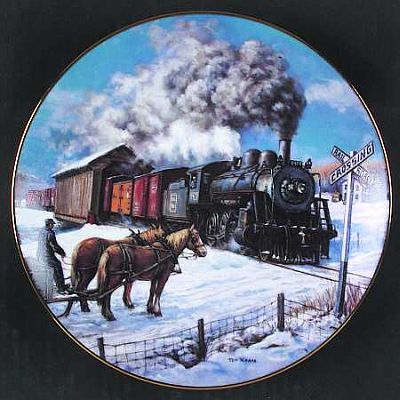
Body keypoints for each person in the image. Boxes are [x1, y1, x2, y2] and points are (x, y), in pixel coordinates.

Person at [37, 218, 69, 293]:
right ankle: (61, 287)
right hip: (48, 256)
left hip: (40, 254)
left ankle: (60, 285)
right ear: (49, 224)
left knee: (55, 267)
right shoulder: (50, 233)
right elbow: (54, 246)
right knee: (58, 267)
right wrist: (62, 252)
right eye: (52, 224)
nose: (53, 226)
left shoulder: (41, 231)